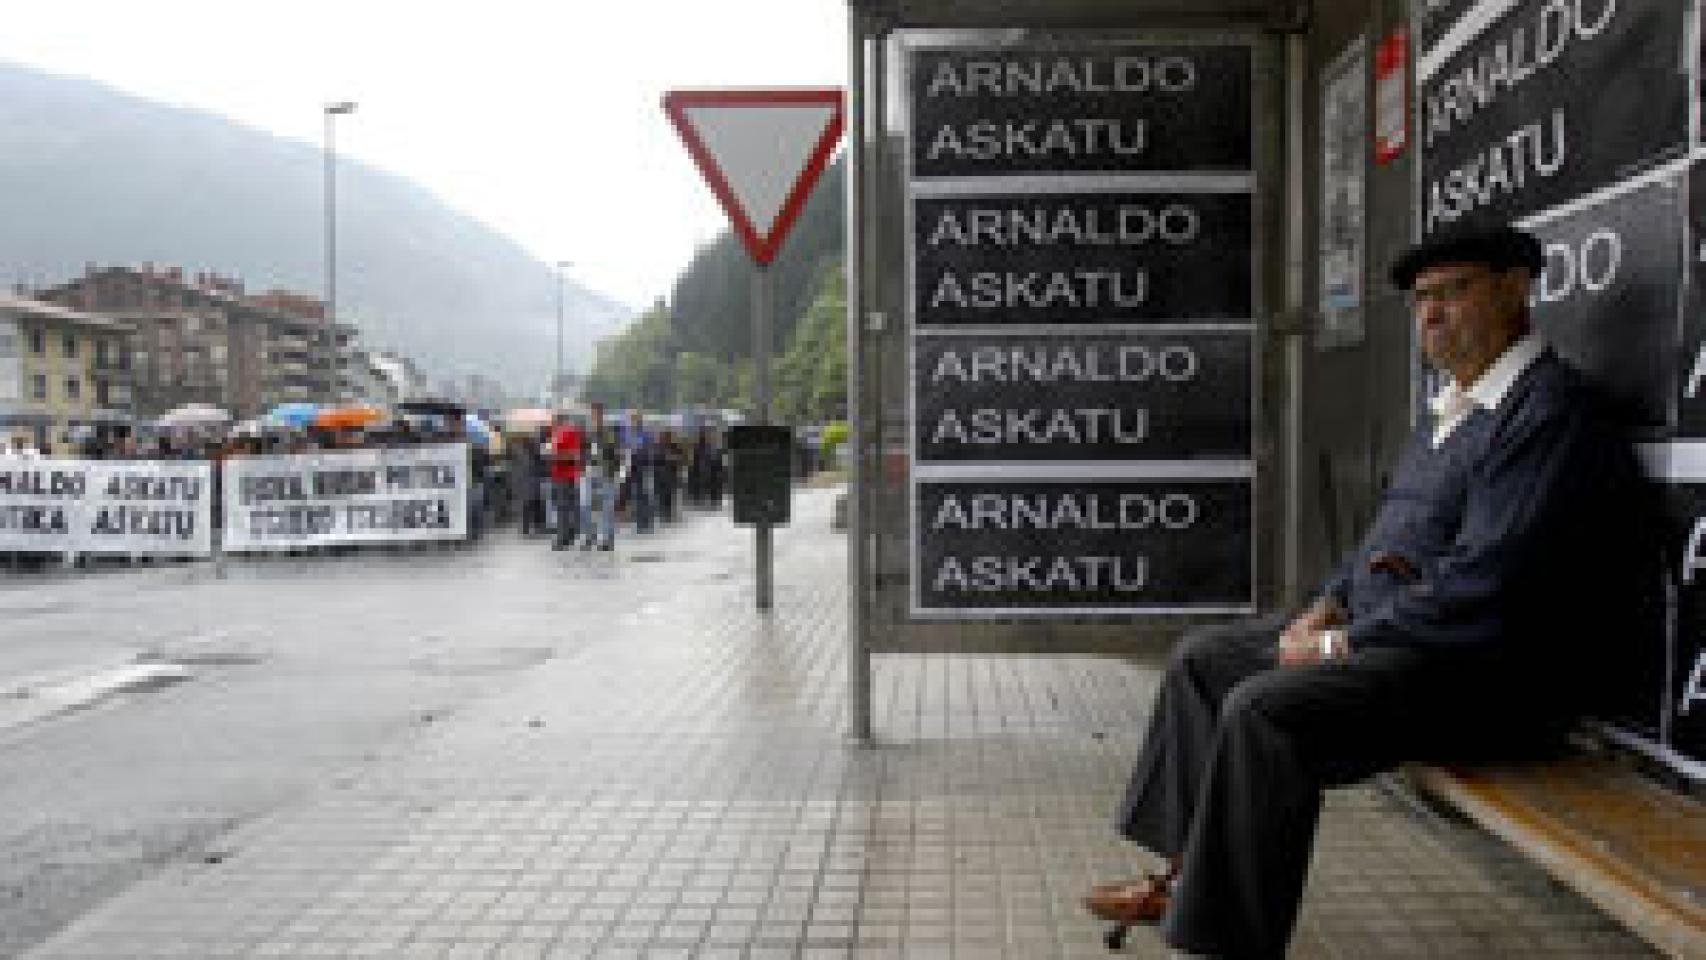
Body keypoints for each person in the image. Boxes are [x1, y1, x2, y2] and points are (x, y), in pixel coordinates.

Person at [1084, 225, 1663, 960]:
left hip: (1487, 678)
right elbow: (1386, 540)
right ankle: (1186, 876)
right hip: (1400, 644)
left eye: (1455, 291)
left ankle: (1223, 942)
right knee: (1204, 659)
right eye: (1422, 299)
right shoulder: (1453, 411)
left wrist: (1335, 644)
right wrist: (1327, 602)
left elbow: (1486, 583)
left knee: (1265, 710)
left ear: (1517, 288)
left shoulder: (1545, 411)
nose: (1432, 314)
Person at [579, 403, 622, 551]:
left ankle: (606, 538)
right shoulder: (586, 431)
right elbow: (582, 449)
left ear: (601, 414)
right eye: (592, 414)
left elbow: (614, 450)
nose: (594, 417)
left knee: (607, 506)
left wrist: (614, 471)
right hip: (589, 469)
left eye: (596, 414)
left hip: (605, 470)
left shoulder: (609, 431)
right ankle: (588, 536)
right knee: (585, 504)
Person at [544, 412, 583, 551]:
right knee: (564, 506)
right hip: (559, 474)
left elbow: (574, 454)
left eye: (553, 420)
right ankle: (567, 535)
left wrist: (554, 456)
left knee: (563, 507)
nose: (552, 423)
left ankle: (563, 538)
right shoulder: (557, 433)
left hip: (565, 474)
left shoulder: (568, 432)